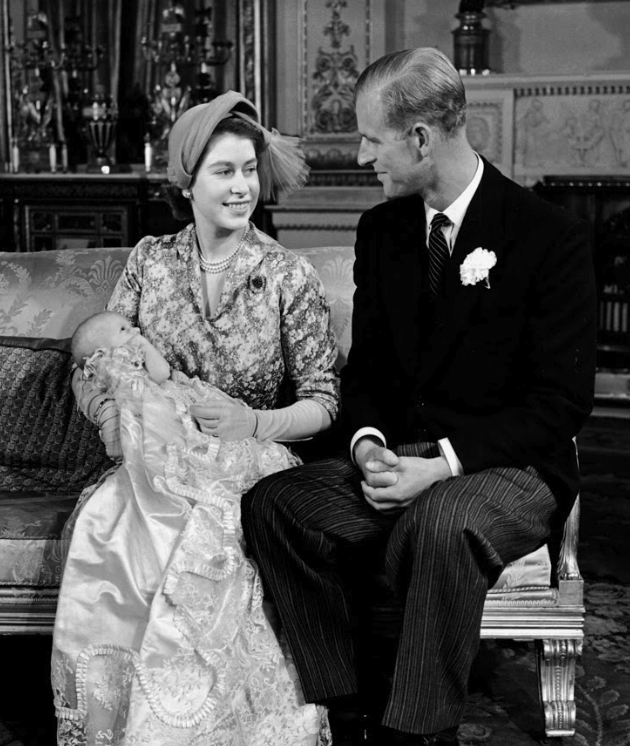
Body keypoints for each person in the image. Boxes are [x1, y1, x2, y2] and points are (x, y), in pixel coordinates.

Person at [241, 48, 597, 746]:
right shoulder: (381, 232)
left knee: (439, 521)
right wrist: (369, 444)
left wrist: (441, 466)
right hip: (403, 455)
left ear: (421, 139)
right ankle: (341, 705)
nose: (364, 155)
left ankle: (417, 732)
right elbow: (367, 373)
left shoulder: (549, 237)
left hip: (510, 469)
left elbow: (559, 406)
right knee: (275, 507)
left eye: (373, 139)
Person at [51, 90, 339, 746]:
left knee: (212, 543)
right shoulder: (149, 261)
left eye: (248, 171)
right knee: (111, 526)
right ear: (188, 181)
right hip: (151, 456)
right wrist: (114, 425)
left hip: (250, 457)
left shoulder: (288, 274)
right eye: (224, 172)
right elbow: (100, 360)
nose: (242, 188)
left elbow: (324, 404)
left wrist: (251, 423)